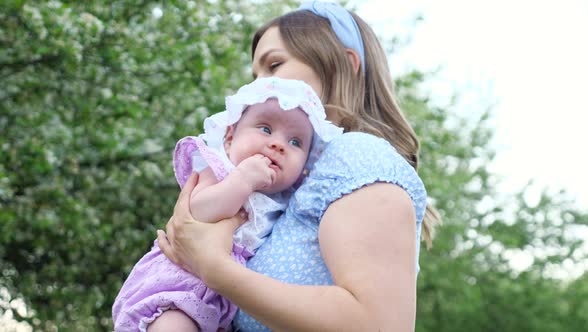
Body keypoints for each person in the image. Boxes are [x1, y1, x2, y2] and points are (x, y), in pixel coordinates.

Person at [157, 0, 441, 331]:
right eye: (255, 74)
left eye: (274, 65)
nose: (256, 85)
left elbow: (377, 323)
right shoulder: (292, 184)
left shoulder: (357, 154)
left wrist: (214, 268)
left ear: (345, 64)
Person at [112, 77, 342, 332]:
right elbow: (196, 212)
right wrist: (243, 179)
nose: (278, 144)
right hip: (177, 285)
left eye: (295, 142)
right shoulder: (220, 169)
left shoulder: (286, 206)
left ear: (304, 168)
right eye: (265, 129)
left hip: (220, 303)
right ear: (230, 137)